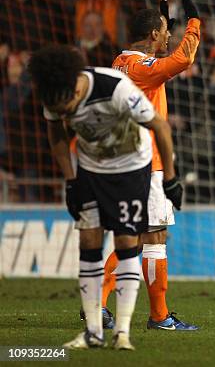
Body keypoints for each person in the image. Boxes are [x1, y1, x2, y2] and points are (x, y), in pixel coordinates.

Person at [30, 44, 182, 349]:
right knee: (88, 241)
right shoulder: (53, 94)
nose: (65, 112)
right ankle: (93, 331)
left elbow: (160, 127)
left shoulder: (114, 88)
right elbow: (56, 135)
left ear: (76, 84)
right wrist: (71, 181)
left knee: (129, 242)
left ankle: (122, 333)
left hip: (131, 167)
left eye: (67, 104)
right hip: (90, 167)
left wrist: (170, 179)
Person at [102, 0, 201, 330]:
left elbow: (154, 61)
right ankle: (159, 316)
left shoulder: (121, 61)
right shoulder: (140, 68)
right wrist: (194, 23)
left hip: (126, 160)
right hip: (147, 164)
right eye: (162, 32)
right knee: (154, 237)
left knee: (134, 237)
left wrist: (164, 23)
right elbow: (183, 59)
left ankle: (99, 304)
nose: (167, 36)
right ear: (151, 36)